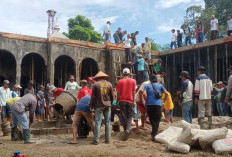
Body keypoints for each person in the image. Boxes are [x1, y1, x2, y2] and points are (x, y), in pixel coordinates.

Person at [90, 71, 113, 145]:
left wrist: (91, 105)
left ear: (98, 78)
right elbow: (112, 96)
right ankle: (107, 140)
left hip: (99, 105)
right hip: (108, 105)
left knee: (98, 122)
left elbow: (93, 97)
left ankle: (96, 140)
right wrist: (111, 103)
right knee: (107, 122)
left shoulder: (96, 84)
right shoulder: (109, 84)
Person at [143, 75, 168, 141]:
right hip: (158, 105)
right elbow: (167, 93)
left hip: (149, 105)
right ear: (156, 80)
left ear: (150, 80)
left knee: (151, 119)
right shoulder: (160, 85)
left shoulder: (147, 86)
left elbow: (144, 94)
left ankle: (153, 134)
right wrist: (163, 101)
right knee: (157, 120)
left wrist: (146, 100)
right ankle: (154, 134)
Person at [117, 68, 136, 141]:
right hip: (130, 101)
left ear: (122, 74)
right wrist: (133, 101)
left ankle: (125, 129)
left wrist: (117, 101)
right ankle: (127, 129)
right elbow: (134, 92)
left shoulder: (120, 81)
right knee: (129, 116)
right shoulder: (133, 81)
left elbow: (118, 93)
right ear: (129, 74)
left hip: (122, 101)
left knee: (123, 116)